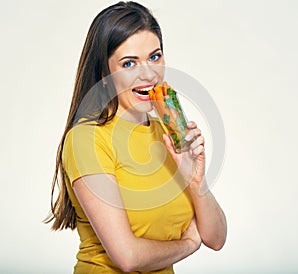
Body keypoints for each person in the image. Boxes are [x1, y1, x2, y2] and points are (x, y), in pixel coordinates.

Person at [45, 1, 227, 273]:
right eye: (129, 63)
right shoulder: (87, 140)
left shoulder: (167, 134)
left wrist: (195, 179)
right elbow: (127, 256)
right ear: (105, 73)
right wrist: (188, 243)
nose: (148, 74)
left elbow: (216, 237)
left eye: (155, 57)